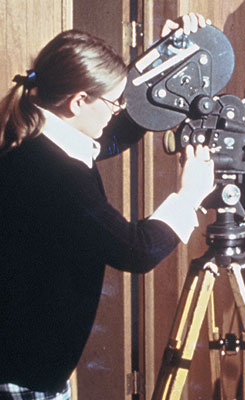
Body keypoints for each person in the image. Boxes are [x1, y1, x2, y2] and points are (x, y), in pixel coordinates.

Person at [0, 13, 214, 399]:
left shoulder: (36, 136)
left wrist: (163, 57)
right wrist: (187, 196)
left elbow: (113, 135)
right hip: (23, 374)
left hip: (26, 364)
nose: (119, 109)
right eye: (115, 102)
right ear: (78, 100)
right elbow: (135, 249)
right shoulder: (55, 174)